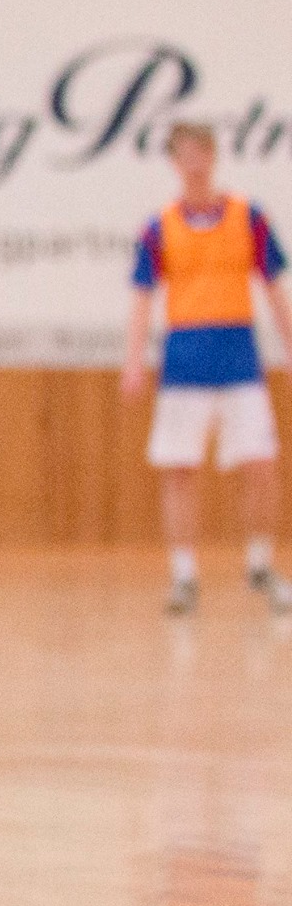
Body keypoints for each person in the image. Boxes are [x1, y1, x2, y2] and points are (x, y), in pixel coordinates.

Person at [121, 121, 292, 615]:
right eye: (185, 155)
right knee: (179, 469)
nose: (194, 163)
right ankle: (184, 575)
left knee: (261, 463)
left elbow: (274, 289)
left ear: (214, 156)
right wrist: (134, 362)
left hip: (240, 359)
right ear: (174, 163)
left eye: (202, 153)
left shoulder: (249, 218)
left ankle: (260, 564)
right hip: (184, 362)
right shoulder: (159, 227)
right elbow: (142, 299)